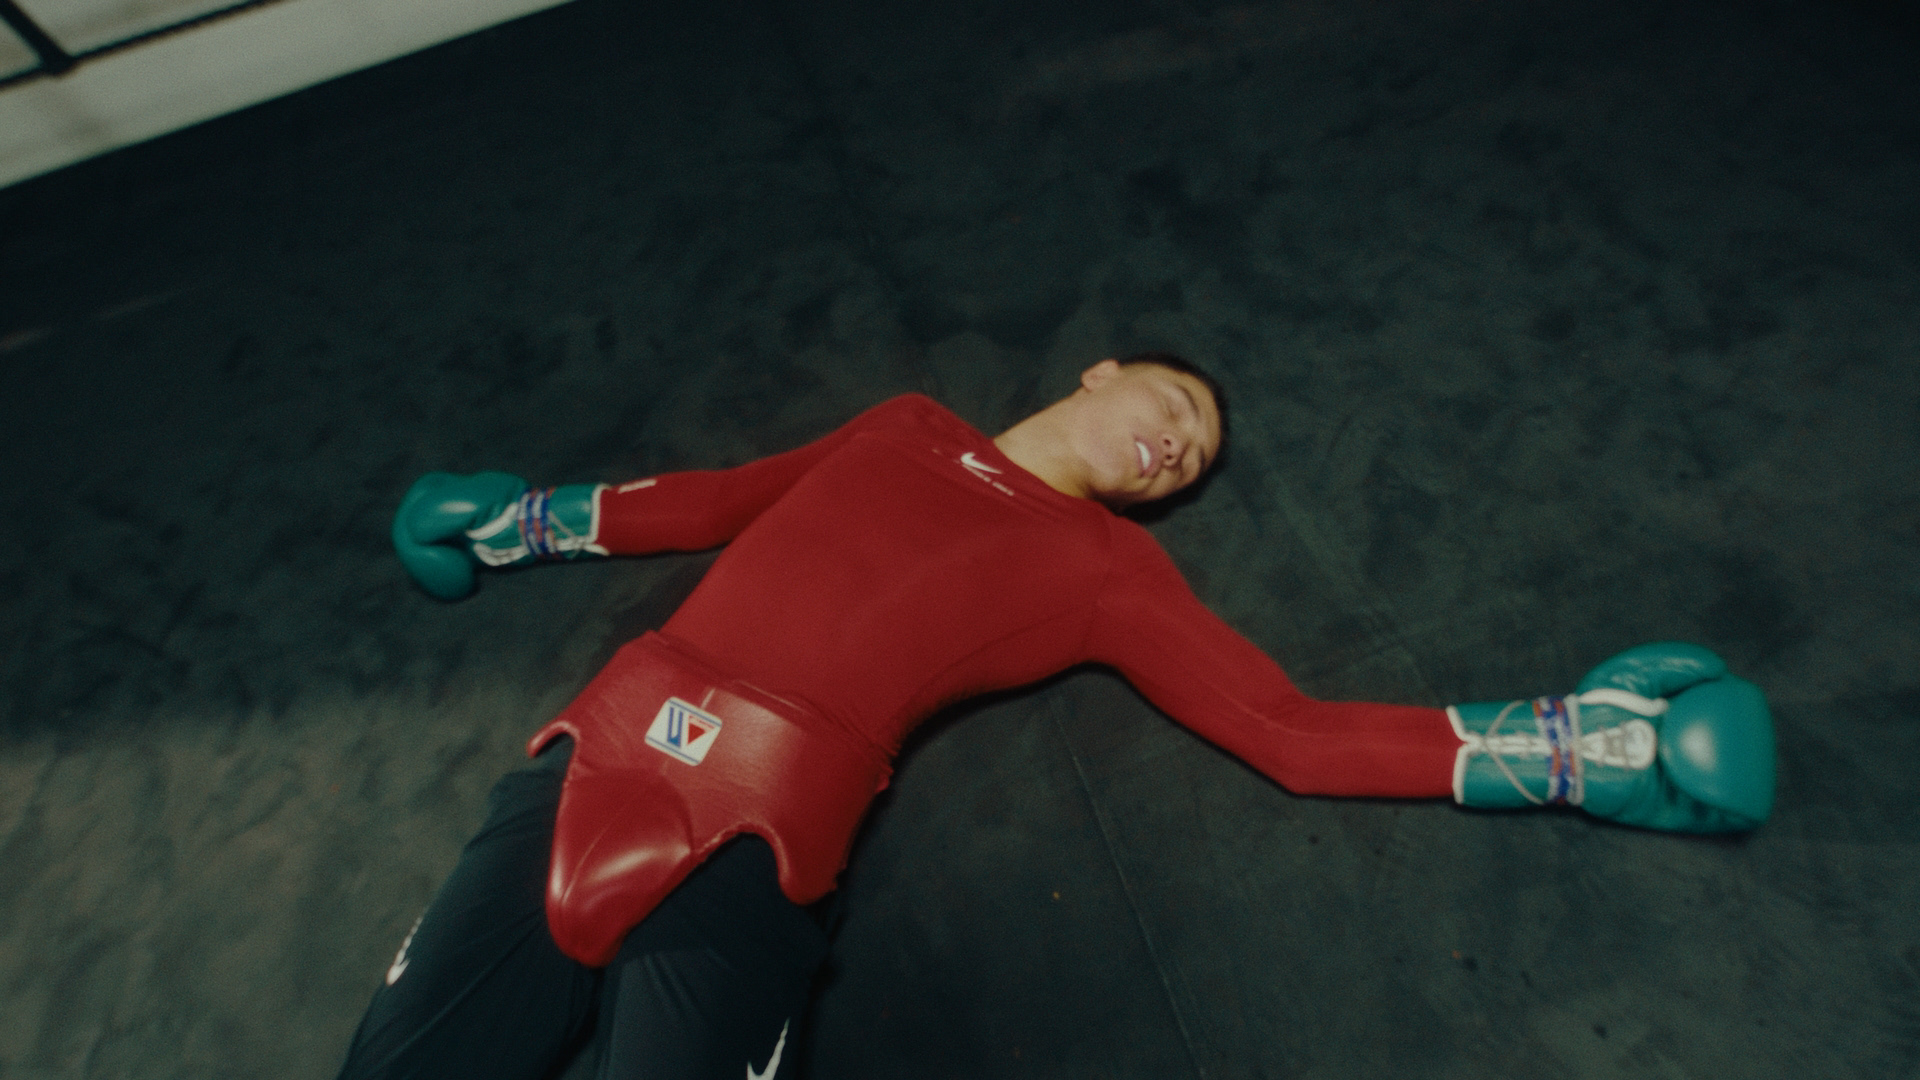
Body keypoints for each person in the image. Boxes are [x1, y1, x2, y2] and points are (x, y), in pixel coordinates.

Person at [345, 354, 1775, 1080]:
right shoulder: (902, 424)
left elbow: (1291, 731)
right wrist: (518, 525)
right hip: (594, 756)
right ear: (1101, 369)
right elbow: (718, 500)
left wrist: (1567, 748)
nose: (1175, 446)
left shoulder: (1108, 571)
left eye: (1189, 462)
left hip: (758, 851)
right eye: (1177, 407)